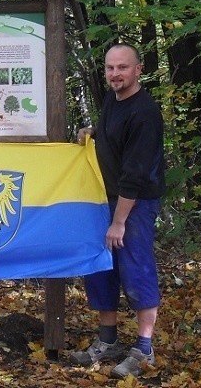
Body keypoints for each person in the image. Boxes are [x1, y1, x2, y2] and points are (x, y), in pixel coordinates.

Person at [70, 43, 166, 378]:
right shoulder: (114, 99)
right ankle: (108, 340)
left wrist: (119, 222)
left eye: (122, 68)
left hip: (134, 203)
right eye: (110, 68)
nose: (115, 74)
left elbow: (136, 175)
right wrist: (92, 132)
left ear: (138, 69)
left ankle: (144, 349)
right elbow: (113, 135)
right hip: (105, 197)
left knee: (135, 267)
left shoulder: (145, 113)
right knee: (100, 268)